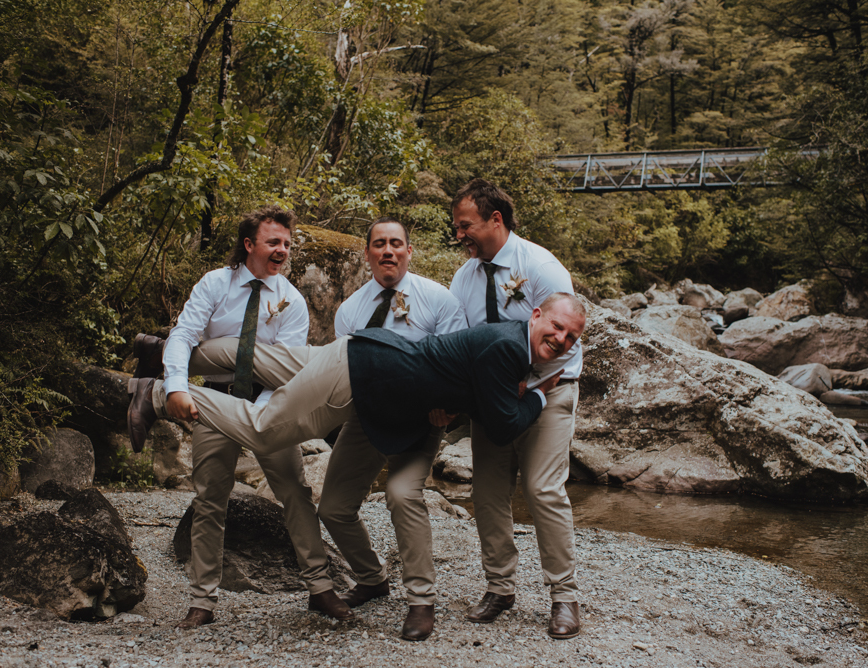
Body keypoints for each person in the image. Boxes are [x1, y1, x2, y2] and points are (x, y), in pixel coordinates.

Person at [127, 294, 586, 511]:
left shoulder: (508, 346)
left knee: (265, 362)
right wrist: (541, 397)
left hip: (368, 367)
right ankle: (158, 390)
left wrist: (462, 404)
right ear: (536, 315)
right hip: (364, 372)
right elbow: (504, 426)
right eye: (557, 327)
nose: (562, 339)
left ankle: (161, 354)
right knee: (263, 429)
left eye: (571, 337)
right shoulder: (510, 348)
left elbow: (479, 399)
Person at [129, 205, 352, 629]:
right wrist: (176, 386)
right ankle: (202, 601)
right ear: (249, 244)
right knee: (210, 499)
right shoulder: (217, 283)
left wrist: (263, 418)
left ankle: (321, 588)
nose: (283, 250)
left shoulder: (292, 300)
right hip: (212, 403)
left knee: (295, 492)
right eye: (274, 242)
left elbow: (281, 369)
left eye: (287, 243)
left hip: (270, 405)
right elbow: (184, 336)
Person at [316, 217, 467, 640]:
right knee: (333, 507)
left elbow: (456, 365)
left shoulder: (439, 300)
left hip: (422, 420)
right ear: (367, 254)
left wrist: (448, 408)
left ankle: (421, 600)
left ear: (409, 251)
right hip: (368, 417)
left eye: (396, 243)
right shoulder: (350, 310)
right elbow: (343, 371)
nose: (388, 251)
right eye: (379, 244)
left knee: (401, 494)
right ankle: (371, 578)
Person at [447, 178, 584, 639]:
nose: (459, 234)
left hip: (550, 391)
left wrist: (528, 385)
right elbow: (462, 341)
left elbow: (566, 340)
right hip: (492, 400)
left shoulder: (541, 267)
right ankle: (500, 587)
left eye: (465, 225)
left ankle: (564, 597)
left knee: (544, 490)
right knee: (487, 493)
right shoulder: (464, 277)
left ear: (495, 220)